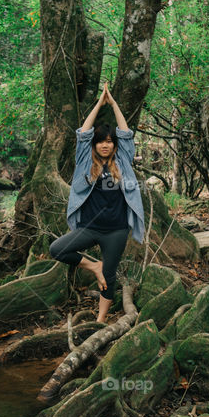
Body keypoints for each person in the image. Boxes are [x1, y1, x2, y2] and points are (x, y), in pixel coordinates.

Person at [49, 82, 146, 323]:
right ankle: (94, 267)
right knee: (57, 249)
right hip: (89, 228)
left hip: (117, 229)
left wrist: (113, 104)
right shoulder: (84, 160)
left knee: (110, 276)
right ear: (95, 144)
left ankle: (100, 321)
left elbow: (126, 133)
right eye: (100, 141)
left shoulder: (123, 159)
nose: (105, 144)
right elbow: (82, 133)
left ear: (114, 145)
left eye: (109, 141)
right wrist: (98, 104)